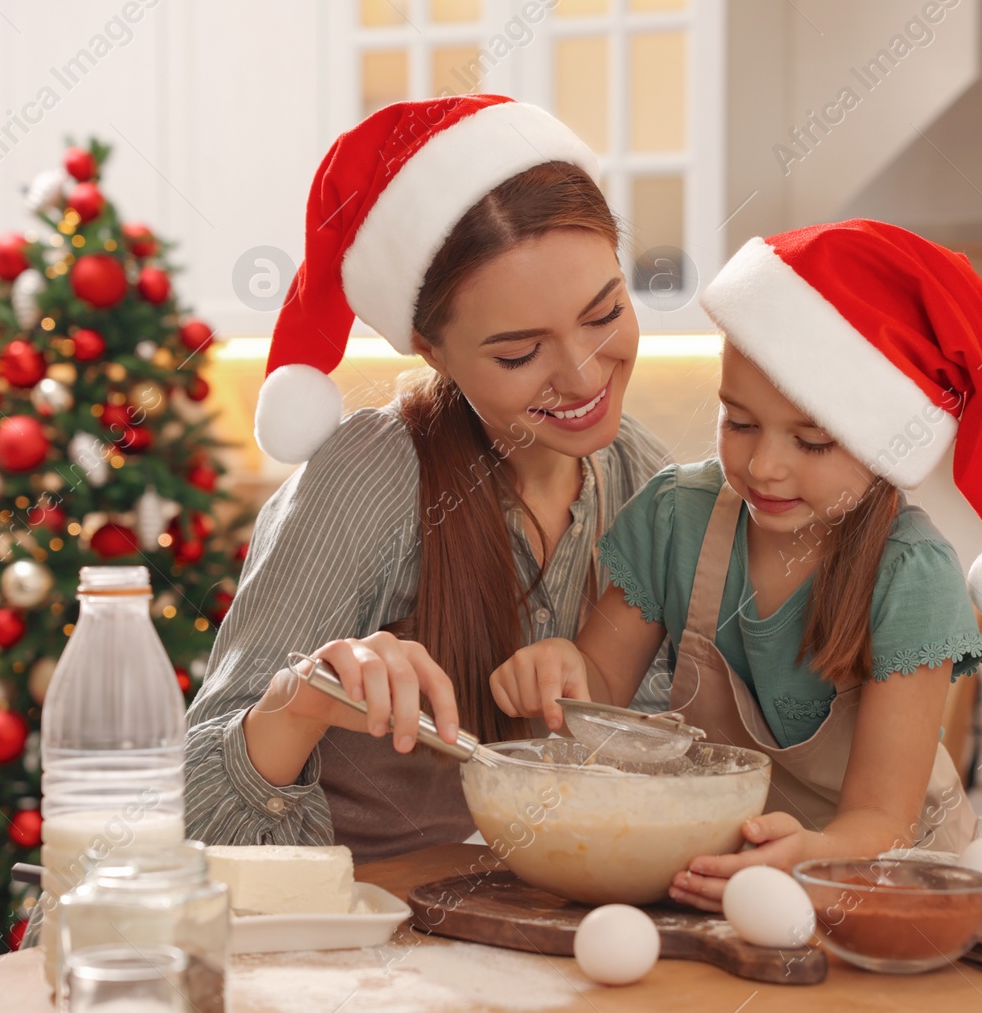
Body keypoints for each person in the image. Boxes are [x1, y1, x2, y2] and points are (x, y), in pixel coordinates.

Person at [491, 219, 982, 912]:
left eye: (813, 441)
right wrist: (558, 671)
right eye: (738, 422)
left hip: (885, 888)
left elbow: (883, 821)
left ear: (885, 446)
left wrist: (805, 856)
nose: (764, 466)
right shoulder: (678, 517)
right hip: (733, 880)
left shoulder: (910, 575)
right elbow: (599, 697)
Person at [185, 95, 674, 863]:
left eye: (606, 312)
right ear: (431, 348)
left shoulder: (654, 491)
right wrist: (306, 697)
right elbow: (191, 808)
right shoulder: (371, 479)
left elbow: (672, 780)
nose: (580, 373)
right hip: (357, 943)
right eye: (518, 354)